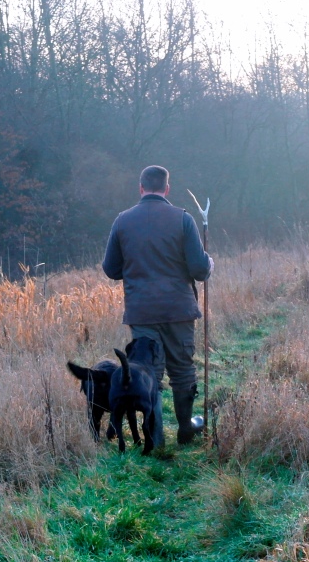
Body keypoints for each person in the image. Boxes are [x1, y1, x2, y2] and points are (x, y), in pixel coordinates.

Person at [102, 165, 213, 445]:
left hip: (142, 312)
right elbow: (200, 270)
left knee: (150, 373)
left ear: (140, 188)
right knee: (183, 370)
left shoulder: (122, 221)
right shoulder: (183, 219)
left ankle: (157, 437)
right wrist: (209, 263)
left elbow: (111, 269)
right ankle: (186, 429)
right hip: (180, 310)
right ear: (167, 189)